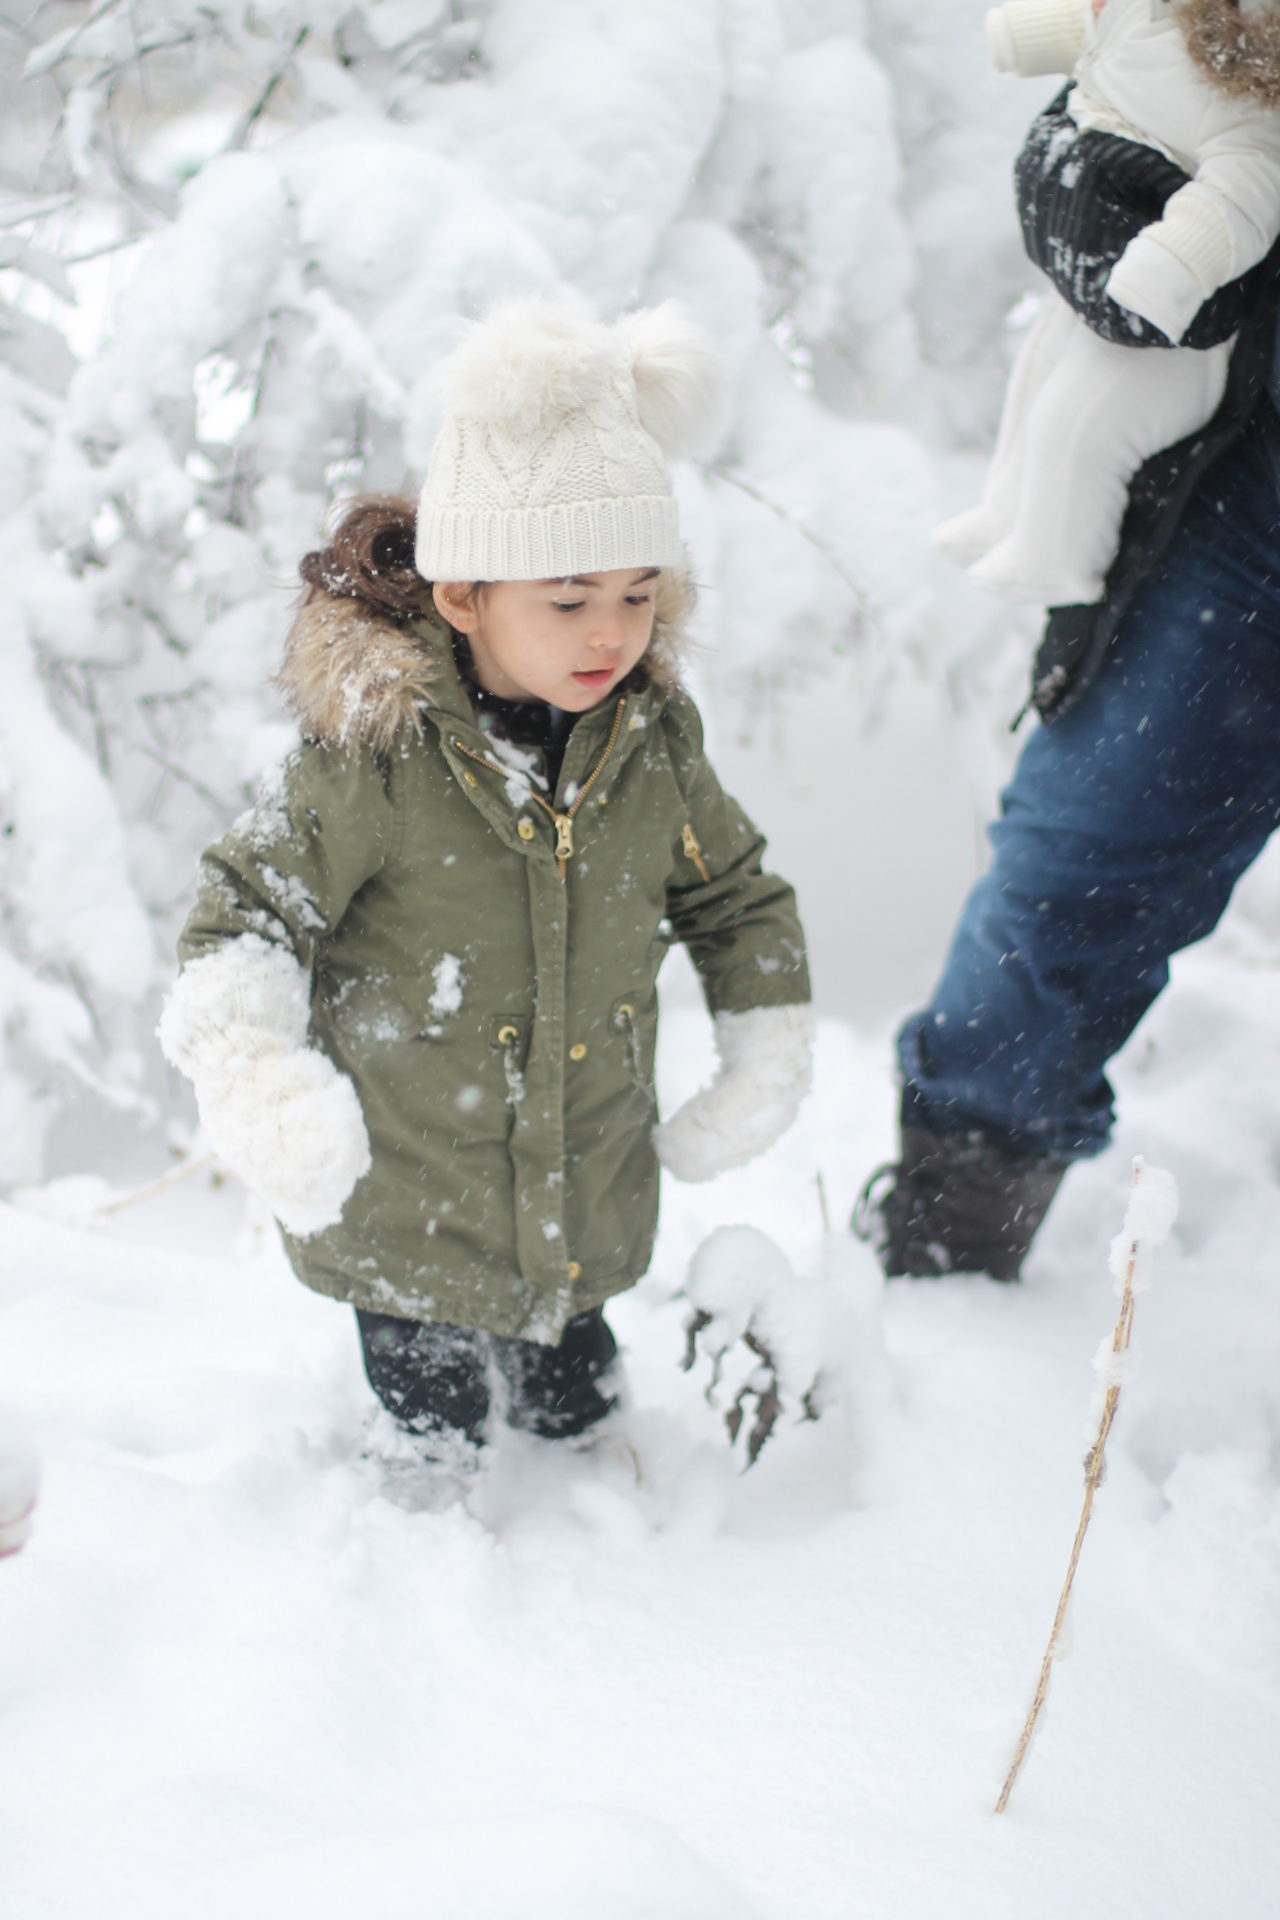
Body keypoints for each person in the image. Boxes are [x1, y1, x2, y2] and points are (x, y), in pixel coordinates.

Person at [160, 300, 812, 1463]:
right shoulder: (378, 754)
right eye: (566, 599)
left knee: (577, 1417)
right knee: (436, 1440)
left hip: (582, 1195)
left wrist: (763, 1044)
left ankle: (603, 1533)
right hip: (410, 1207)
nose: (608, 631)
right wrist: (260, 1076)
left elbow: (732, 893)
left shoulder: (649, 741)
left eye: (635, 591)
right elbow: (243, 915)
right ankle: (434, 1578)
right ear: (463, 597)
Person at [857, 14, 1280, 1282]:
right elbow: (1136, 55)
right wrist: (1081, 169)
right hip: (1248, 498)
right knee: (1077, 866)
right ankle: (941, 1266)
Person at [938, 0, 1280, 608]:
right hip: (1111, 243)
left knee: (1078, 424)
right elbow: (1094, 29)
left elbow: (1246, 192)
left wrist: (1169, 269)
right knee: (1036, 379)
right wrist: (1020, 37)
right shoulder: (1154, 10)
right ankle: (1006, 511)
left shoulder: (1250, 92)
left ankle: (1056, 560)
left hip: (1171, 331)